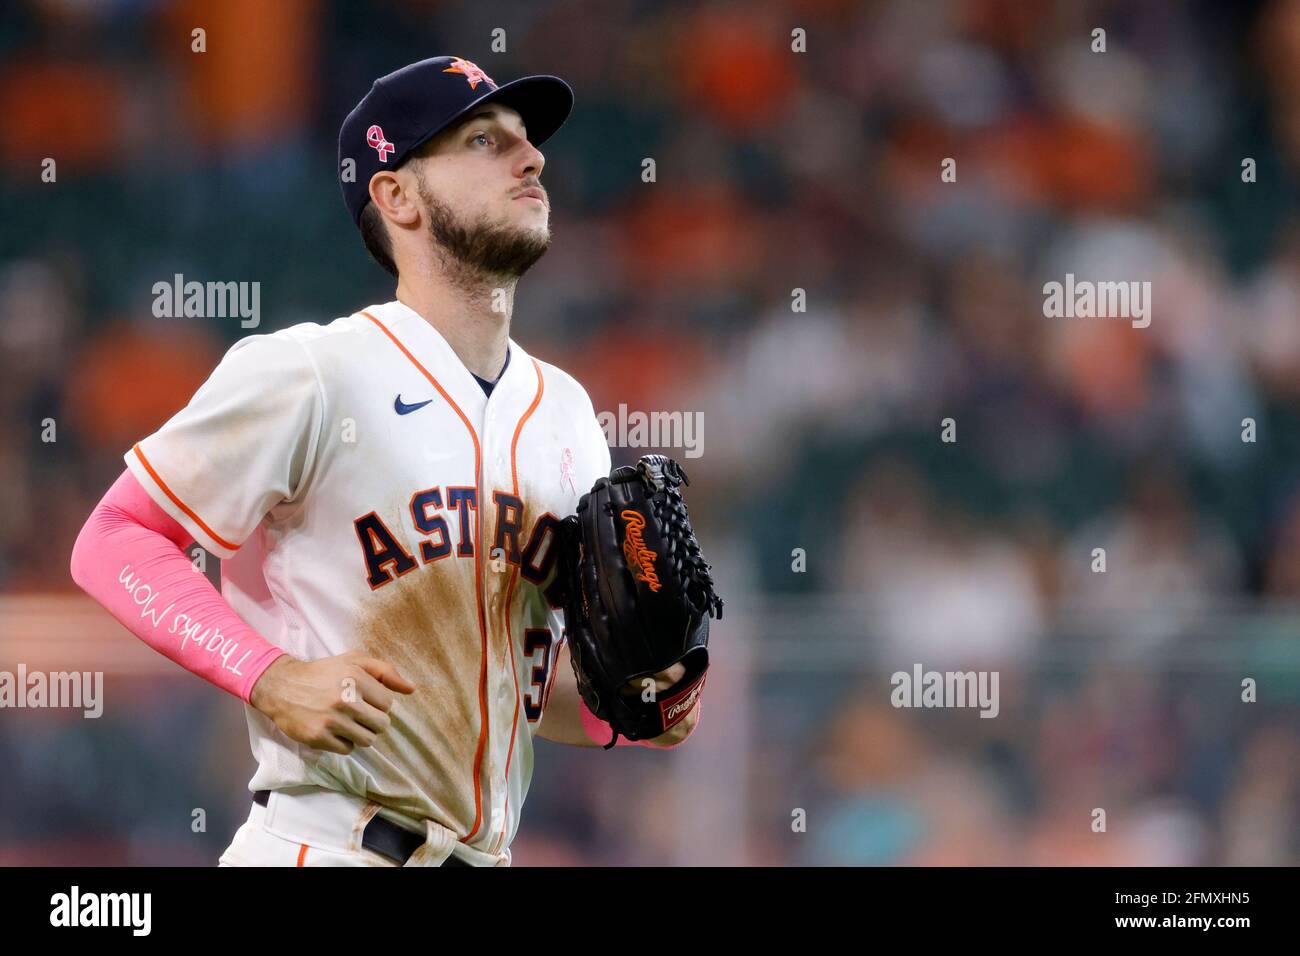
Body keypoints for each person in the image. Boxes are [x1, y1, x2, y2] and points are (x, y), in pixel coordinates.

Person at [70, 55, 699, 868]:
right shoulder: (313, 372)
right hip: (326, 846)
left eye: (527, 141)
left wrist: (635, 710)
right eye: (483, 140)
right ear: (397, 194)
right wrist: (266, 676)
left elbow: (521, 688)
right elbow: (114, 538)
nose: (531, 157)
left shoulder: (568, 412)